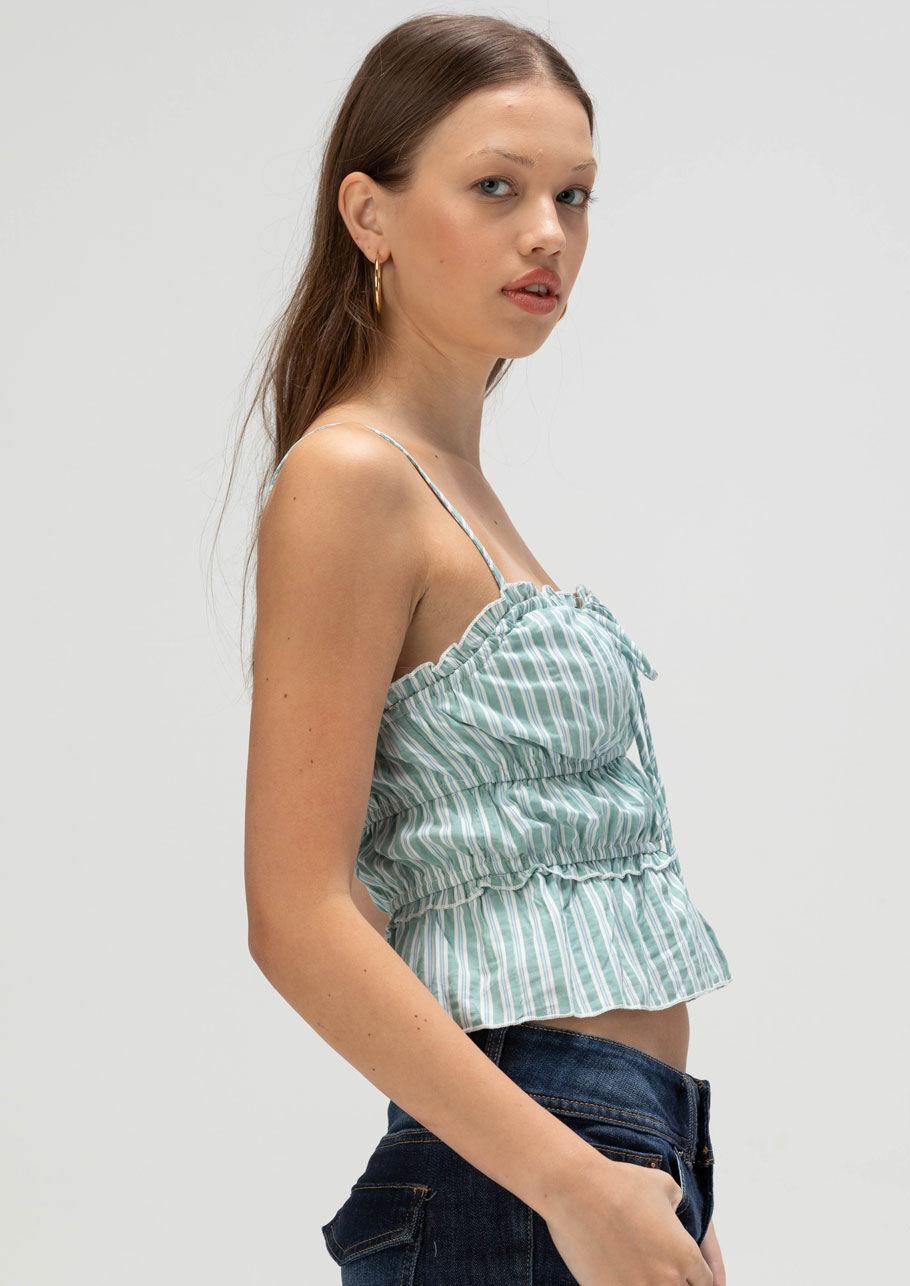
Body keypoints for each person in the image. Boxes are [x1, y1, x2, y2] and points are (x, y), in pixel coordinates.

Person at [243, 13, 732, 1283]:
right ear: (370, 214)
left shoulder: (453, 484)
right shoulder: (352, 475)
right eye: (497, 188)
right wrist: (573, 1179)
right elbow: (297, 912)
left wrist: (663, 1188)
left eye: (574, 194)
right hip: (524, 1172)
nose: (548, 234)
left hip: (613, 1156)